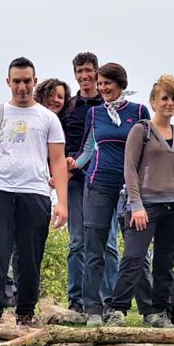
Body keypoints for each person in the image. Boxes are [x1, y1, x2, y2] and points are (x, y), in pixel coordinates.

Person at [0, 57, 69, 325]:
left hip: (35, 192)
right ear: (8, 82)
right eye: (17, 81)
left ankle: (25, 313)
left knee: (29, 256)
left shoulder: (48, 118)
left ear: (35, 82)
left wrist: (62, 202)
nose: (22, 87)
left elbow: (58, 161)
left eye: (27, 81)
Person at [115, 75, 174, 329]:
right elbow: (129, 169)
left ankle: (159, 312)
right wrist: (136, 205)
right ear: (153, 102)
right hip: (145, 206)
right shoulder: (142, 130)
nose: (169, 103)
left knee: (164, 262)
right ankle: (118, 310)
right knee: (133, 258)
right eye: (165, 98)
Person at [75, 62, 150, 327]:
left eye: (107, 82)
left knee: (135, 249)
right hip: (98, 184)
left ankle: (148, 308)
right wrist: (72, 164)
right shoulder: (95, 114)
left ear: (121, 84)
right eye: (100, 83)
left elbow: (149, 148)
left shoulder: (139, 111)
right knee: (94, 247)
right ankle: (93, 308)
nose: (103, 87)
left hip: (131, 187)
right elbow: (88, 148)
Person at [63, 53, 120, 314]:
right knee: (77, 242)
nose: (85, 76)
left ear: (96, 73)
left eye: (89, 71)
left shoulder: (108, 104)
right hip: (75, 180)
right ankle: (77, 300)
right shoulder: (69, 106)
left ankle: (109, 299)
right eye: (80, 71)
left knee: (108, 242)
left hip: (104, 180)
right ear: (74, 74)